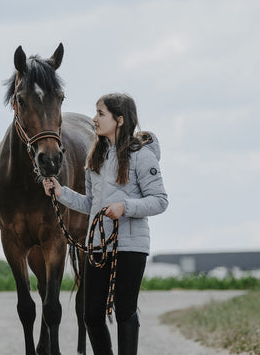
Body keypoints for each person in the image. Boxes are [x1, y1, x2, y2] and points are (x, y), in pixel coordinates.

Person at [42, 93, 168, 355]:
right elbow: (91, 204)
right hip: (98, 245)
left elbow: (160, 201)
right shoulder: (96, 158)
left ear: (119, 120)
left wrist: (126, 207)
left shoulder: (142, 157)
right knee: (92, 316)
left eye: (101, 114)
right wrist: (61, 192)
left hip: (131, 246)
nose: (94, 119)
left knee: (124, 312)